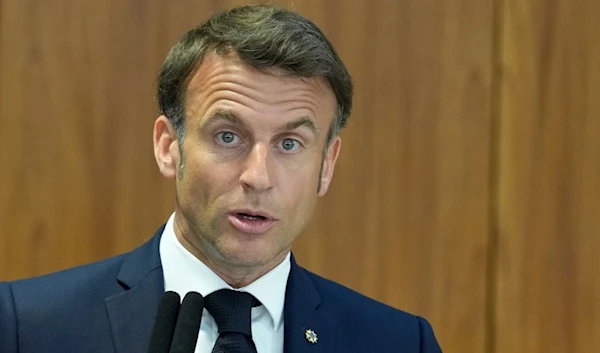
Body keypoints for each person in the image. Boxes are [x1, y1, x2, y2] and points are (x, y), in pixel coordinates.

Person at [0, 4, 442, 353]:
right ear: (168, 146)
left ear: (327, 165)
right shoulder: (28, 326)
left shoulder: (399, 342)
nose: (258, 177)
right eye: (228, 136)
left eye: (290, 144)